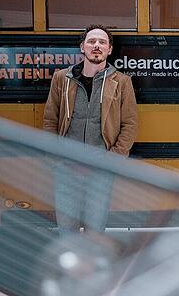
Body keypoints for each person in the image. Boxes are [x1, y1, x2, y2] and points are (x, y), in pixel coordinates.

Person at [43, 24, 138, 235]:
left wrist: (109, 161)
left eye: (102, 42)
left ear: (109, 50)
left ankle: (93, 268)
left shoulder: (121, 82)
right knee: (67, 230)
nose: (97, 46)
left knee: (96, 231)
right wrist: (57, 158)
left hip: (100, 172)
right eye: (91, 41)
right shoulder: (62, 79)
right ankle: (69, 267)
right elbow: (50, 120)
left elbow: (129, 126)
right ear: (82, 48)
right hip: (66, 169)